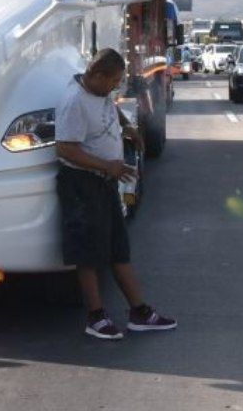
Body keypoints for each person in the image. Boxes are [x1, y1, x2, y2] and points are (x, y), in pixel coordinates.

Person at [55, 49, 177, 340]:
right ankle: (95, 317)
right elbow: (65, 149)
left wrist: (128, 127)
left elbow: (109, 107)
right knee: (88, 252)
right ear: (97, 75)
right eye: (113, 81)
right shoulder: (74, 102)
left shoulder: (98, 93)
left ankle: (139, 312)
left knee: (118, 248)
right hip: (83, 184)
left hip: (104, 181)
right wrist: (107, 165)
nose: (115, 87)